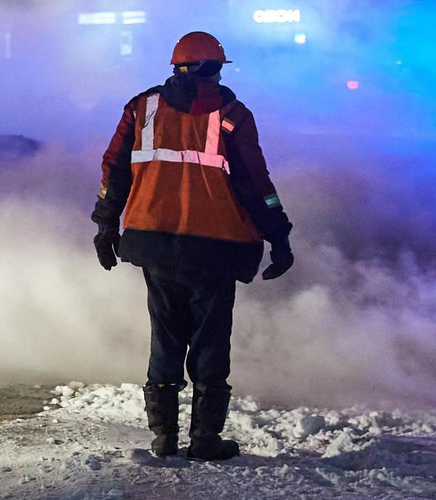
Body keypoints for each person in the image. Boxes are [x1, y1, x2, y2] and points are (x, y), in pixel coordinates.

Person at [91, 31, 293, 461]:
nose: (218, 77)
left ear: (176, 67)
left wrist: (107, 226)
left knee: (165, 339)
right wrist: (279, 235)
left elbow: (114, 170)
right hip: (216, 249)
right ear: (212, 69)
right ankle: (204, 440)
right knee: (210, 344)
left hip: (156, 244)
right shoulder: (232, 115)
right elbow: (256, 185)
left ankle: (164, 438)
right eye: (216, 69)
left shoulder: (142, 109)